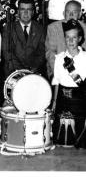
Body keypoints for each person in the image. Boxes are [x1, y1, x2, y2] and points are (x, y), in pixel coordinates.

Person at [52, 19, 86, 148]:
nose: (71, 41)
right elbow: (56, 81)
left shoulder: (85, 58)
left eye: (74, 37)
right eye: (67, 37)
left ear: (80, 39)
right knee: (62, 141)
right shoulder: (59, 58)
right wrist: (54, 102)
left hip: (80, 99)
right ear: (64, 38)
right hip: (63, 99)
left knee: (80, 139)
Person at [2, 0, 46, 78]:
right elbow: (8, 53)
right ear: (18, 12)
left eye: (29, 9)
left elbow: (41, 52)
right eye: (22, 9)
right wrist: (22, 71)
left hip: (34, 72)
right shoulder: (8, 28)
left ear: (33, 12)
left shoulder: (40, 29)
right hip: (14, 73)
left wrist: (32, 69)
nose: (26, 13)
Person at [45, 0, 86, 79]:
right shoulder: (53, 28)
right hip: (58, 69)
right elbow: (50, 53)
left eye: (74, 12)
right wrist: (60, 73)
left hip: (81, 70)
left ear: (80, 14)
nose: (71, 15)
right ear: (63, 13)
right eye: (68, 12)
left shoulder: (85, 28)